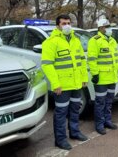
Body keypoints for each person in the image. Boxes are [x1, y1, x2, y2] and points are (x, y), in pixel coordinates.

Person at [41, 14, 88, 150]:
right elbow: (47, 65)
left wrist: (84, 78)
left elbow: (82, 61)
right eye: (63, 23)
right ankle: (60, 139)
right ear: (57, 26)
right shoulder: (51, 42)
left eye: (68, 23)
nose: (67, 25)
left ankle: (75, 132)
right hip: (62, 86)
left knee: (74, 110)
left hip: (76, 83)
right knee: (61, 113)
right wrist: (55, 84)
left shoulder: (76, 40)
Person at [87, 18, 118, 135]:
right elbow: (92, 59)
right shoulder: (94, 41)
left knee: (109, 101)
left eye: (109, 27)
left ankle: (108, 121)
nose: (109, 29)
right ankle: (99, 124)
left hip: (112, 77)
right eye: (107, 27)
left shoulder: (112, 40)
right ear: (101, 28)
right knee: (100, 102)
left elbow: (116, 57)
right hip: (101, 78)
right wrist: (95, 74)